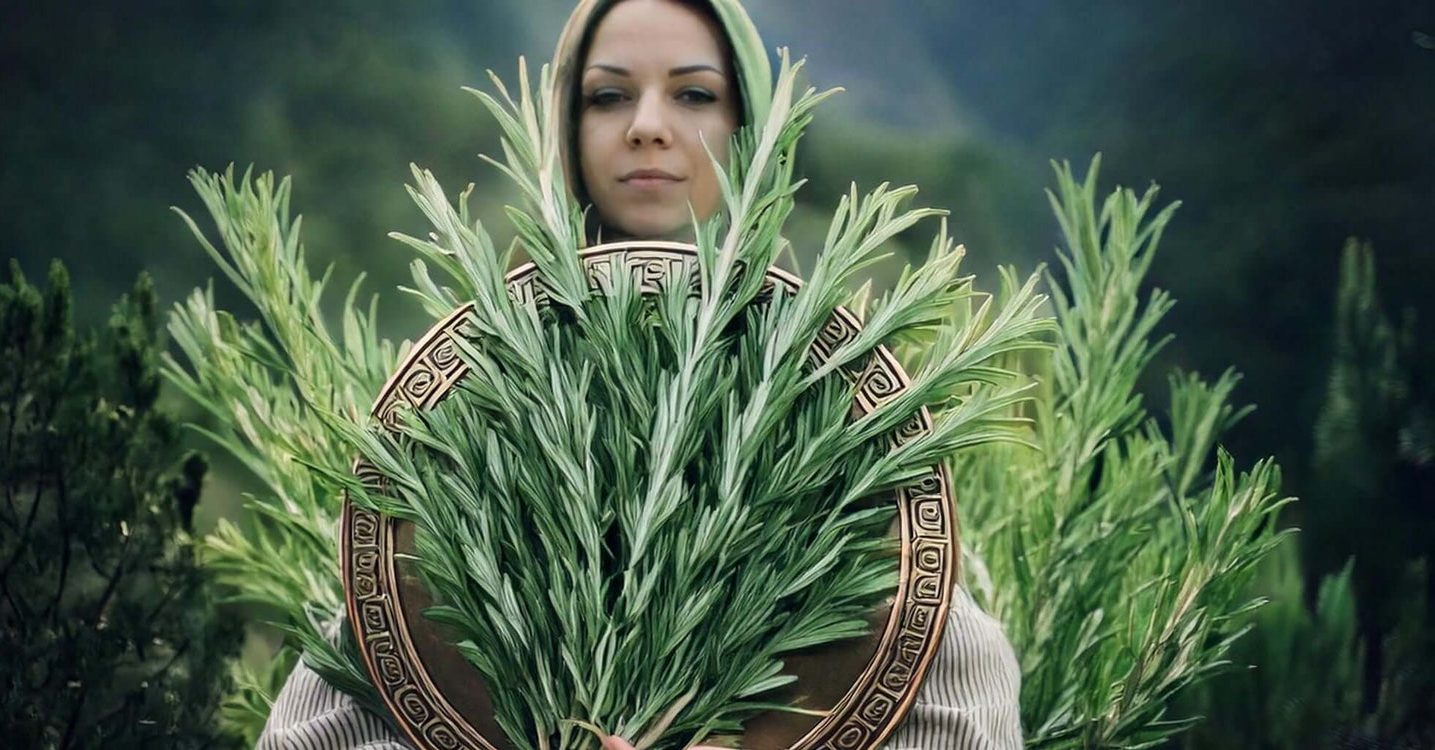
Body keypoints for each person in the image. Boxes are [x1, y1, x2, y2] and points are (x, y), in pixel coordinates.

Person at [257, 1, 1023, 748]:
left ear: (752, 131)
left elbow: (905, 646)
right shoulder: (475, 407)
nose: (647, 125)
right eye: (607, 96)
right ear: (566, 130)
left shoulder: (831, 413)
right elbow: (384, 663)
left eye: (694, 94)